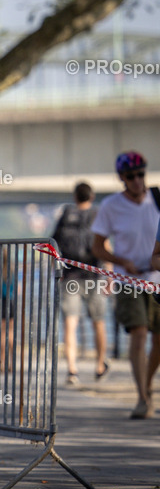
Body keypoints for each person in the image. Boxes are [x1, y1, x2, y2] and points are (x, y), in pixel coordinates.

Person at [91, 152, 160, 419]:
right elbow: (97, 247)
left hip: (157, 280)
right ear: (122, 178)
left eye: (141, 174)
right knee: (139, 333)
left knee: (158, 339)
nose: (137, 180)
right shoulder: (110, 206)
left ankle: (147, 382)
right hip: (129, 282)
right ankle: (143, 397)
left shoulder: (156, 200)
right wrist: (121, 261)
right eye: (131, 176)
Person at [52, 182, 108, 385]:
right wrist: (109, 276)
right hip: (93, 276)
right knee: (99, 321)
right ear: (91, 197)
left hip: (70, 277)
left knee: (70, 324)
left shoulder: (66, 215)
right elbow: (106, 245)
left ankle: (72, 370)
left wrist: (55, 272)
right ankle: (100, 365)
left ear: (75, 197)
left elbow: (53, 246)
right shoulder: (98, 215)